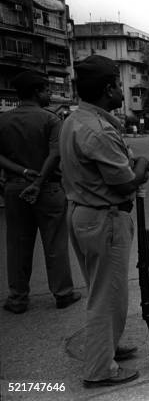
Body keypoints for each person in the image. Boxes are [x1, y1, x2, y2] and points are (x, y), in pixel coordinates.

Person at [60, 55, 149, 387]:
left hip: (84, 214)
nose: (121, 90)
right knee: (106, 296)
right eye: (116, 84)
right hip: (104, 217)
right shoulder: (97, 130)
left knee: (103, 290)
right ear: (108, 88)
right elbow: (126, 182)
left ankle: (106, 347)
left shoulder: (75, 119)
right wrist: (142, 165)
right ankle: (100, 369)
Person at [0, 70, 80, 314]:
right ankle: (63, 294)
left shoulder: (4, 120)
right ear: (36, 92)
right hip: (48, 189)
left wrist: (23, 173)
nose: (49, 94)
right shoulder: (51, 120)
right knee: (55, 243)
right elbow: (55, 154)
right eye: (46, 90)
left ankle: (18, 298)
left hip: (15, 188)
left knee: (17, 244)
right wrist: (38, 180)